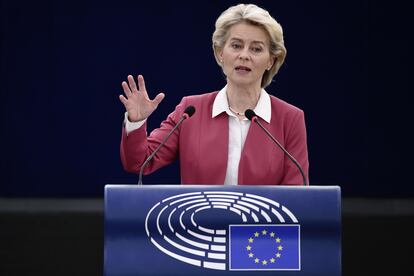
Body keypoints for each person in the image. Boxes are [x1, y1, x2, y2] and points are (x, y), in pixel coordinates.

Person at [119, 3, 309, 185]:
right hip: (199, 219)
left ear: (271, 60)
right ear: (220, 53)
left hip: (261, 220)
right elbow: (139, 162)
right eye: (236, 45)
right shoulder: (190, 111)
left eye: (256, 49)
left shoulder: (289, 119)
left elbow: (296, 192)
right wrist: (136, 122)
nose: (244, 55)